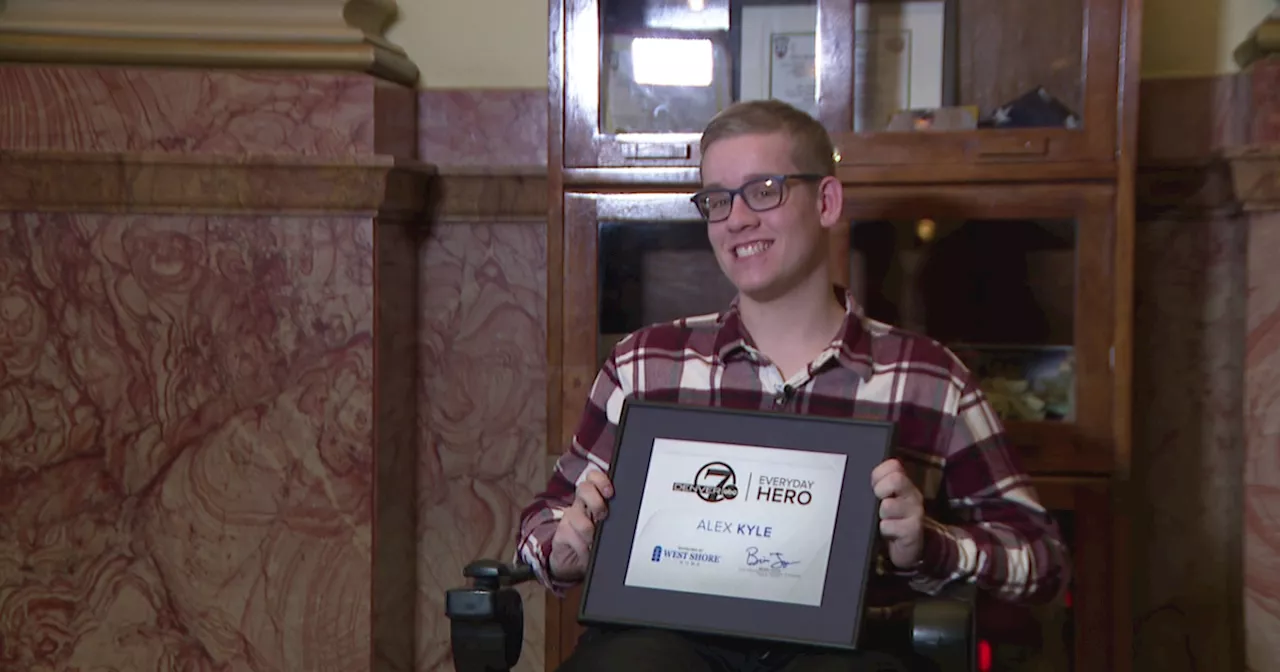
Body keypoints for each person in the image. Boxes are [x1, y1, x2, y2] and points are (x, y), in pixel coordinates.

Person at [515, 99, 1070, 672]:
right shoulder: (644, 365)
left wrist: (928, 544)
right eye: (717, 200)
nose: (736, 219)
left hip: (849, 650)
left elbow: (1042, 559)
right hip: (663, 646)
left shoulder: (929, 377)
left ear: (826, 202)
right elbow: (543, 519)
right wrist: (565, 547)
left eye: (764, 190)